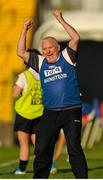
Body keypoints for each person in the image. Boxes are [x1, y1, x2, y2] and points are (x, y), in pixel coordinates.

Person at [17, 10, 88, 178]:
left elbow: (76, 38)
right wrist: (24, 30)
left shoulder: (67, 56)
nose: (47, 51)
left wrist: (60, 20)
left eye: (50, 48)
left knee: (74, 148)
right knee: (42, 148)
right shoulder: (40, 62)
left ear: (58, 48)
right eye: (44, 49)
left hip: (71, 110)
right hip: (50, 113)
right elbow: (20, 52)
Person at [13, 50, 43, 174]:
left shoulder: (24, 75)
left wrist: (15, 89)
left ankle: (21, 169)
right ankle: (49, 165)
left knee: (24, 143)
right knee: (39, 144)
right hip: (39, 113)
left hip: (24, 113)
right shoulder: (43, 75)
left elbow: (15, 94)